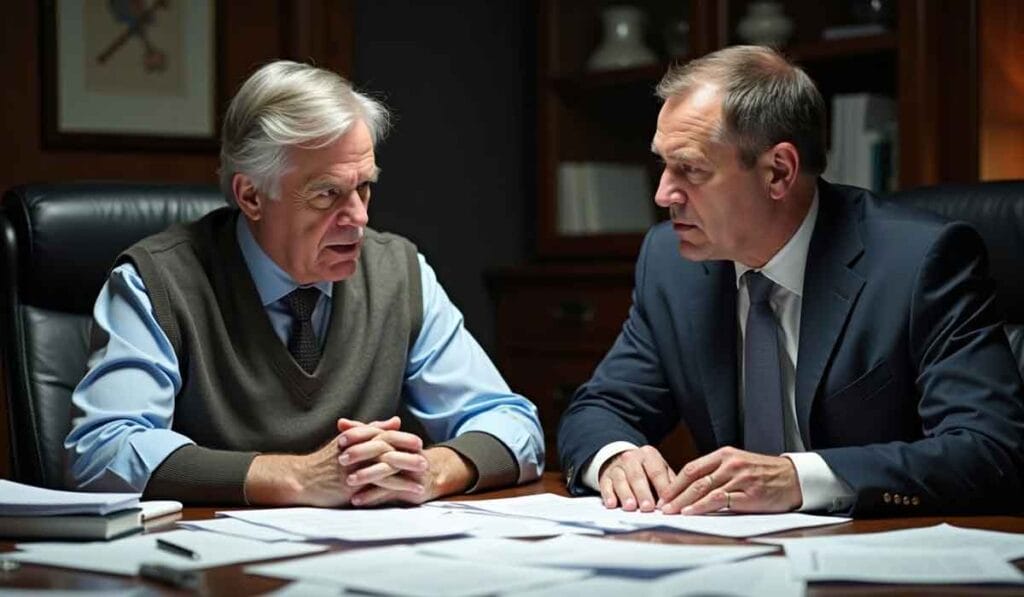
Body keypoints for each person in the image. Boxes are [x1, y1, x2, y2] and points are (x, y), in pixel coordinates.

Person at [558, 46, 1024, 517]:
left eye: (691, 169)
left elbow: (989, 450)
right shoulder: (670, 262)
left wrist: (800, 478)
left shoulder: (920, 261)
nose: (663, 194)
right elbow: (599, 408)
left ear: (778, 171)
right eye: (663, 164)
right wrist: (616, 456)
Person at [65, 60, 544, 506]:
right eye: (327, 194)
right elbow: (101, 452)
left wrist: (429, 469)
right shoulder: (158, 281)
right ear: (251, 195)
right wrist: (296, 478)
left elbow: (513, 423)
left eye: (365, 186)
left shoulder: (398, 272)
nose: (358, 218)